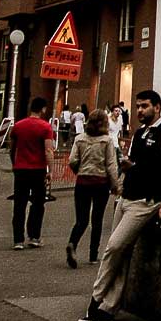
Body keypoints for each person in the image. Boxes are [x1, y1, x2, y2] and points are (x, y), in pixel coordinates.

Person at [78, 89, 161, 321]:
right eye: (137, 106)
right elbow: (138, 163)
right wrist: (125, 174)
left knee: (114, 247)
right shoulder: (138, 133)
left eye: (144, 106)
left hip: (146, 201)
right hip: (128, 198)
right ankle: (109, 307)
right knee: (120, 251)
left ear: (157, 107)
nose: (139, 110)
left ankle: (96, 300)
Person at [66, 109, 120, 268]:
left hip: (82, 182)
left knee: (81, 220)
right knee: (97, 220)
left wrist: (79, 171)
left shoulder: (80, 139)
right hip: (100, 183)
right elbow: (111, 165)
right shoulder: (107, 140)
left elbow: (72, 160)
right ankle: (93, 255)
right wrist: (115, 184)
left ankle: (72, 243)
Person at [9, 97, 55, 249]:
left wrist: (14, 164)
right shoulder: (45, 127)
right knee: (37, 204)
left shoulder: (18, 126)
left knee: (19, 204)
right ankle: (34, 236)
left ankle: (18, 240)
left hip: (21, 169)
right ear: (42, 109)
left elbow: (12, 148)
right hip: (38, 170)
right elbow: (48, 150)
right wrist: (50, 170)